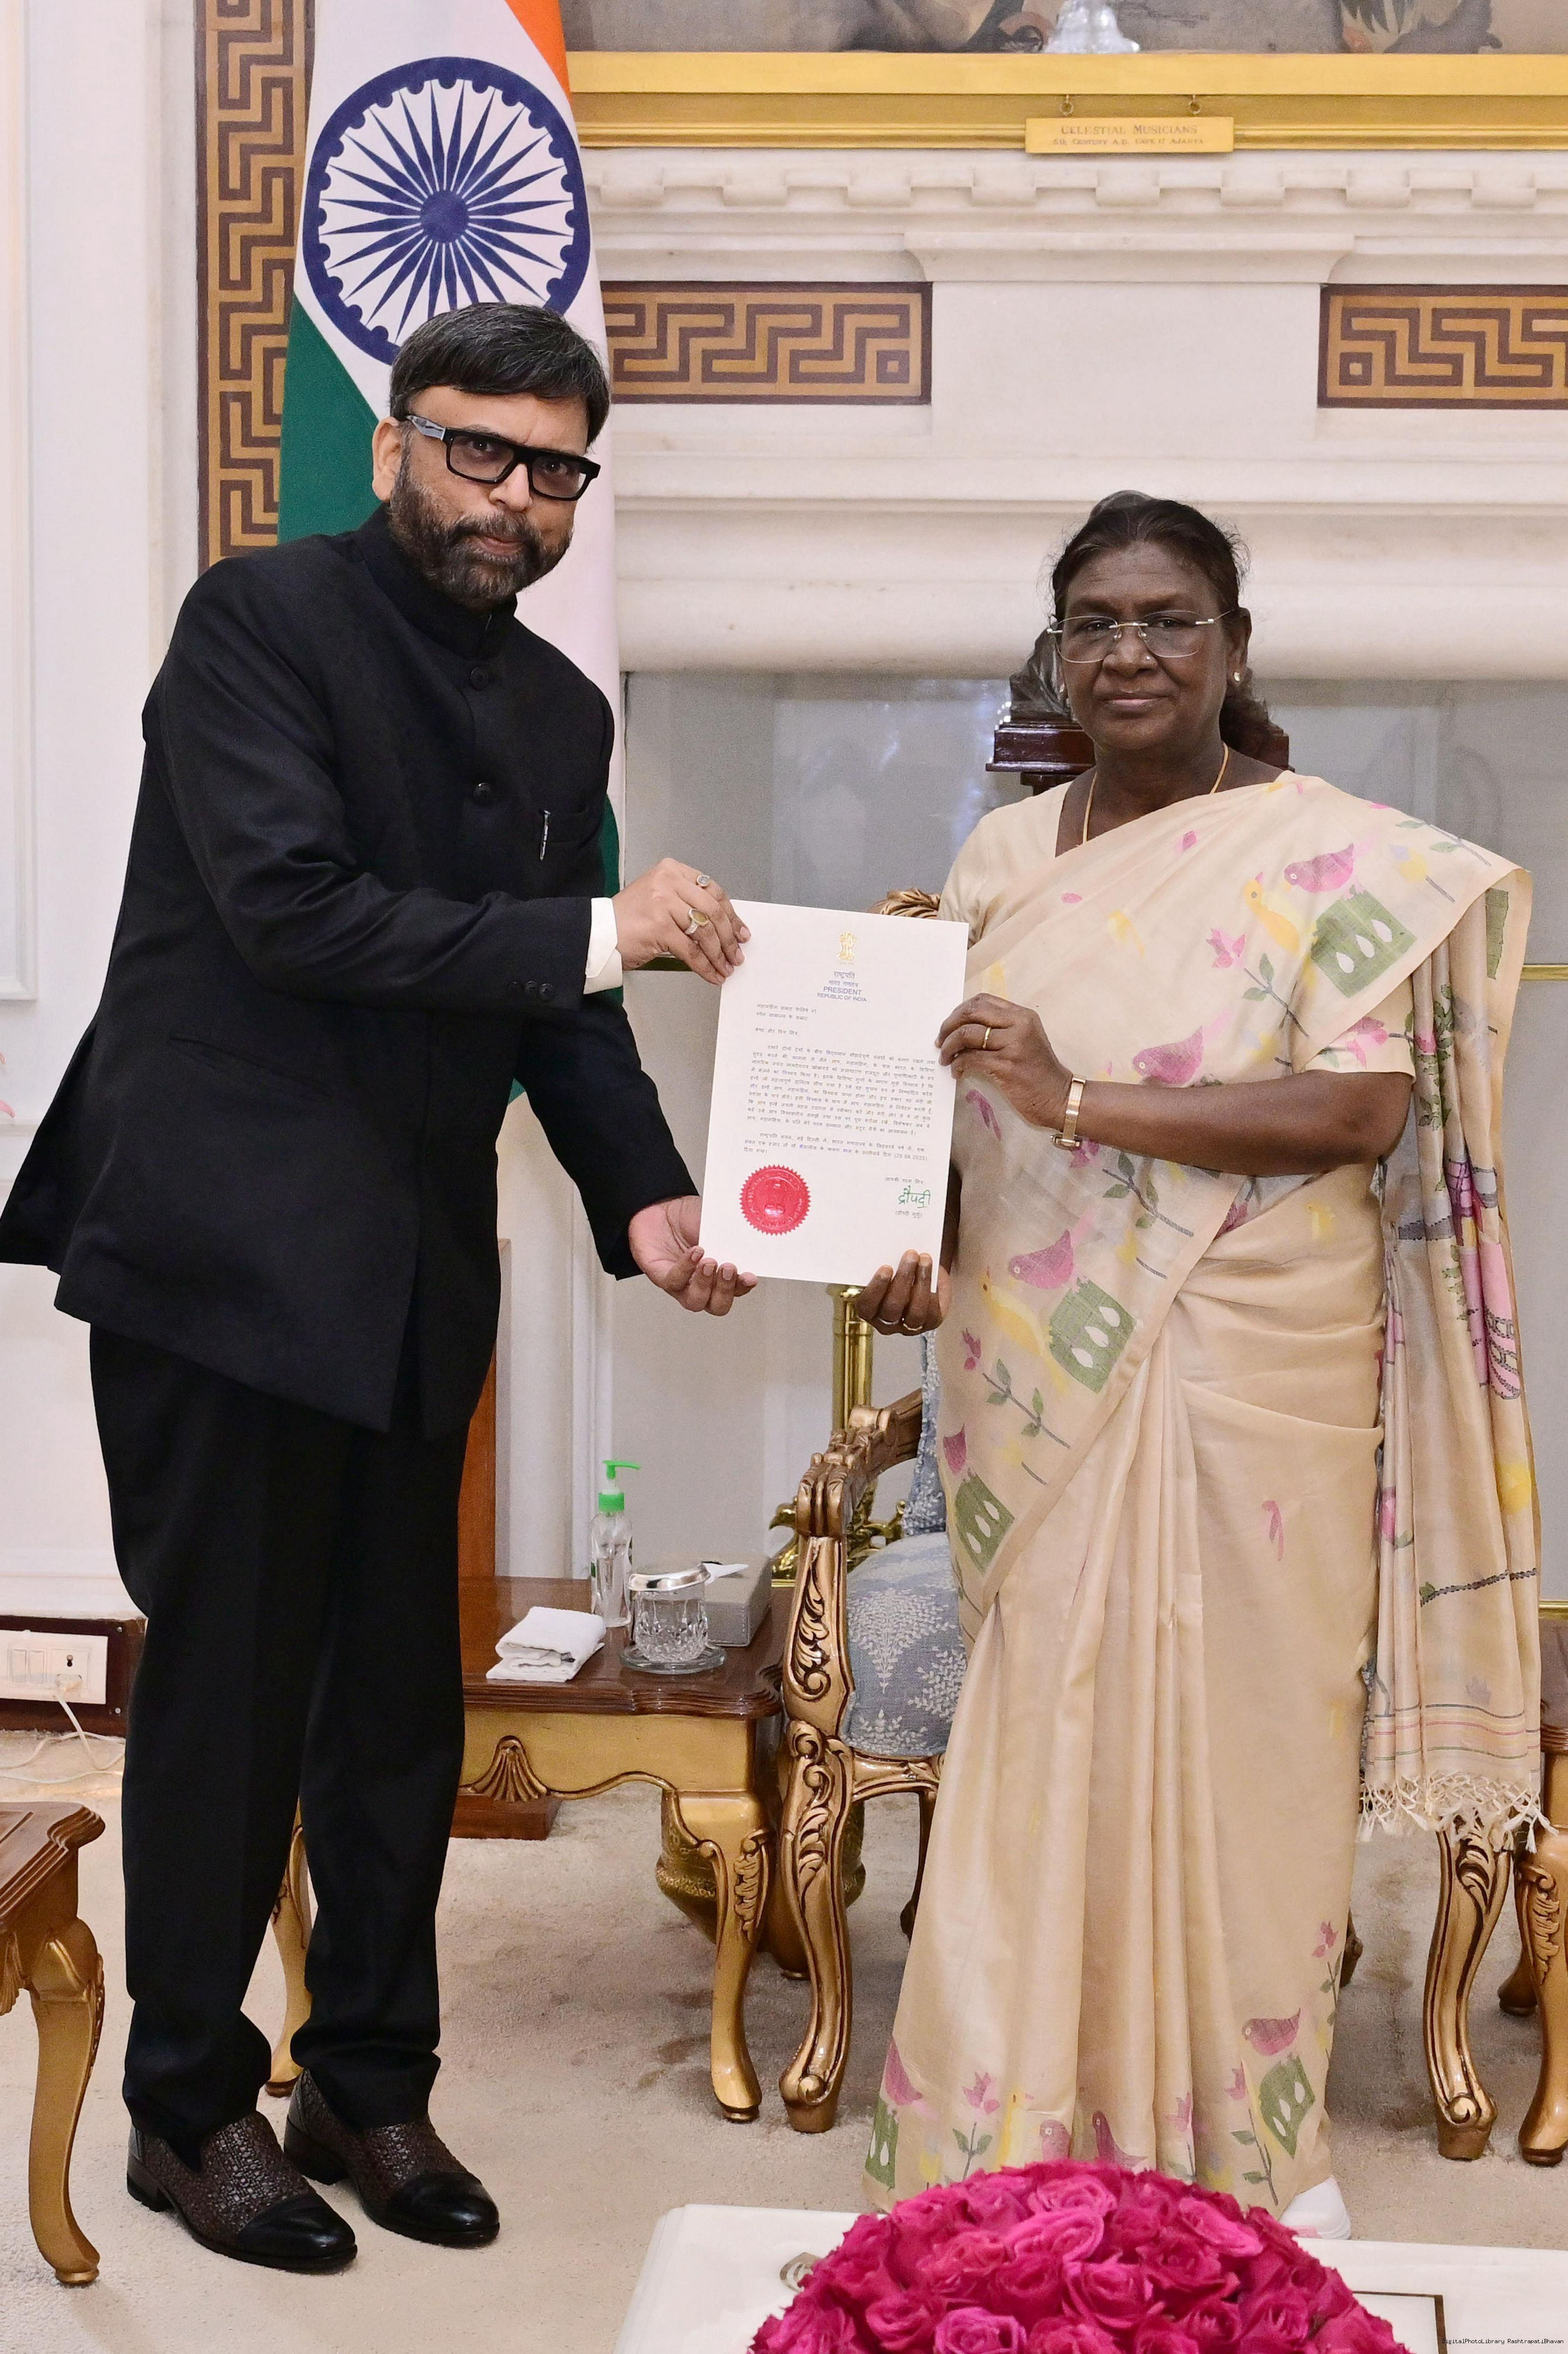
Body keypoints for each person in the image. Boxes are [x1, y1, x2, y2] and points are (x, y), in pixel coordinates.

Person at [0, 302, 762, 2273]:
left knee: (399, 1711)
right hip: (224, 1252)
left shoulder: (562, 714)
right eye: (477, 449)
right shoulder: (256, 624)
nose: (514, 496)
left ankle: (366, 2081)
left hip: (416, 1271)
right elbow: (293, 909)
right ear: (393, 446)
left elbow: (563, 1008)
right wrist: (596, 929)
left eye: (554, 467)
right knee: (232, 1696)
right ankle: (189, 2107)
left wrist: (649, 1201)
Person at [855, 492, 1539, 2234]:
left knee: (1253, 1756)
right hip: (1039, 1369)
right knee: (1042, 1736)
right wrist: (910, 1242)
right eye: (1093, 622)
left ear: (1232, 648)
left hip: (1262, 1362)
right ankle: (1010, 2126)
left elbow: (1357, 1110)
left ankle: (1246, 2146)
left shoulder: (1328, 857)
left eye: (1167, 618)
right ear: (1054, 654)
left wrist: (1076, 1094)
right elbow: (962, 1126)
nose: (1129, 651)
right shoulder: (1004, 861)